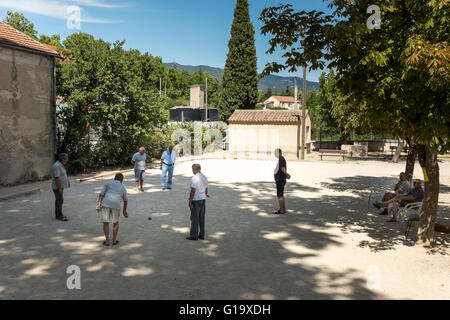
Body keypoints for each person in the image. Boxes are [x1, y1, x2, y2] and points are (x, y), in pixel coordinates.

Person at [96, 173, 128, 246]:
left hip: (105, 203)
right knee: (115, 222)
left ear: (114, 178)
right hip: (116, 204)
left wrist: (99, 204)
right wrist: (124, 211)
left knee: (106, 222)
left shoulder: (108, 183)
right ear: (122, 180)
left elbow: (101, 194)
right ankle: (114, 241)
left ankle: (107, 241)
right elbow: (125, 200)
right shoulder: (122, 187)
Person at [187, 164, 208, 241]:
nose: (192, 171)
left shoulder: (194, 178)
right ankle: (201, 234)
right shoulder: (204, 177)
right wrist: (204, 196)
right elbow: (206, 189)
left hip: (196, 200)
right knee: (201, 217)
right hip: (203, 199)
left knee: (194, 218)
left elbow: (193, 190)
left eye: (192, 169)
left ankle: (194, 235)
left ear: (195, 169)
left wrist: (190, 201)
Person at [51, 153, 70, 222]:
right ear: (63, 159)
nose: (67, 160)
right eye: (66, 159)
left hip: (60, 187)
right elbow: (57, 178)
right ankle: (59, 216)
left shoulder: (60, 165)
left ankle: (59, 215)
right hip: (57, 187)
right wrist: (59, 188)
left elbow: (61, 176)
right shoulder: (57, 166)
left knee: (60, 200)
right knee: (59, 200)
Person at [273, 149, 291, 214]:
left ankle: (281, 210)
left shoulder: (281, 159)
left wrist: (286, 174)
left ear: (279, 153)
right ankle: (283, 209)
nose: (275, 154)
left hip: (280, 179)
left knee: (280, 195)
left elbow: (283, 168)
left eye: (276, 153)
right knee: (281, 195)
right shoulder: (281, 159)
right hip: (281, 179)